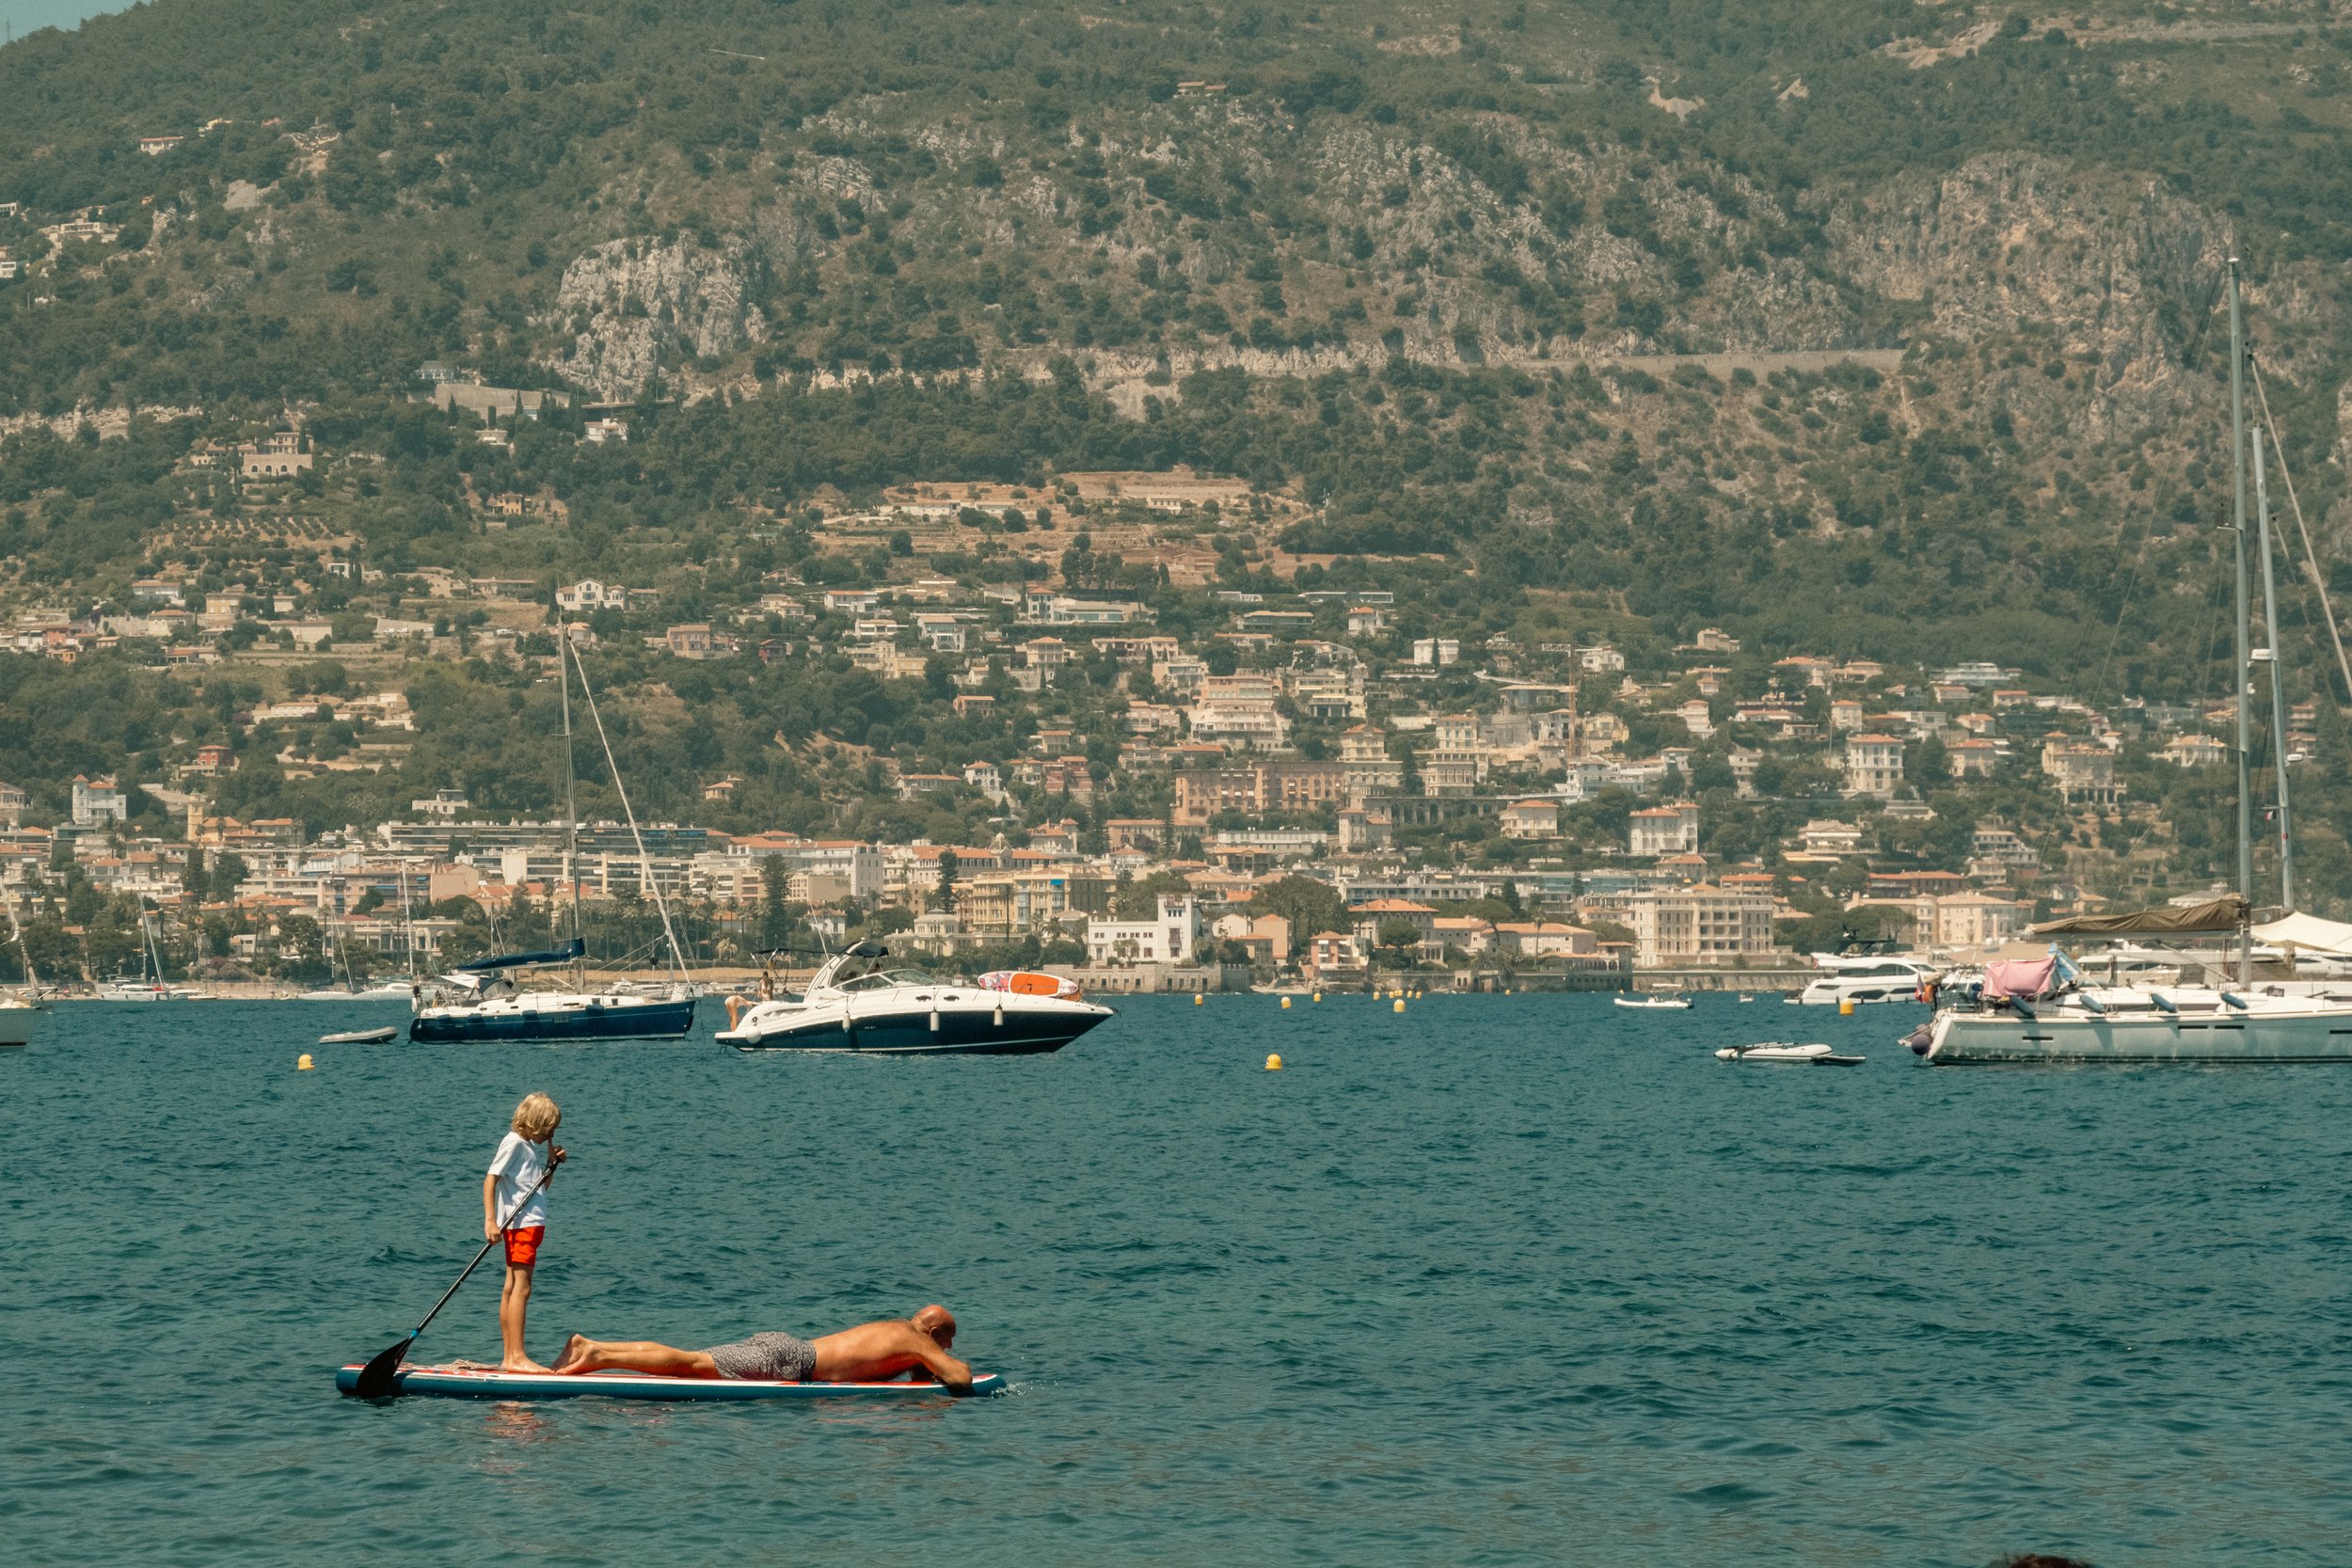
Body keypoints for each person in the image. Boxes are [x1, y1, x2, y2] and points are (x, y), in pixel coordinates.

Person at [549, 1305, 975, 1392]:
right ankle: (597, 1353)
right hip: (790, 1360)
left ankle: (597, 1349)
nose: (945, 1349)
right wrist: (941, 1362)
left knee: (692, 1360)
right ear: (934, 1331)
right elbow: (960, 1378)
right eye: (947, 1341)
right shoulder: (914, 1339)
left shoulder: (897, 1330)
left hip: (787, 1350)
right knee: (691, 1363)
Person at [484, 1092, 564, 1372]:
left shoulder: (526, 1146)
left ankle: (509, 1358)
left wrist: (551, 1164)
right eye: (549, 1129)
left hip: (525, 1224)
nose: (551, 1133)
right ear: (535, 1124)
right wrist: (490, 1221)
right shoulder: (515, 1143)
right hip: (523, 1226)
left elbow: (538, 1190)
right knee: (522, 1288)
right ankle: (517, 1356)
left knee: (512, 1287)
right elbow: (491, 1178)